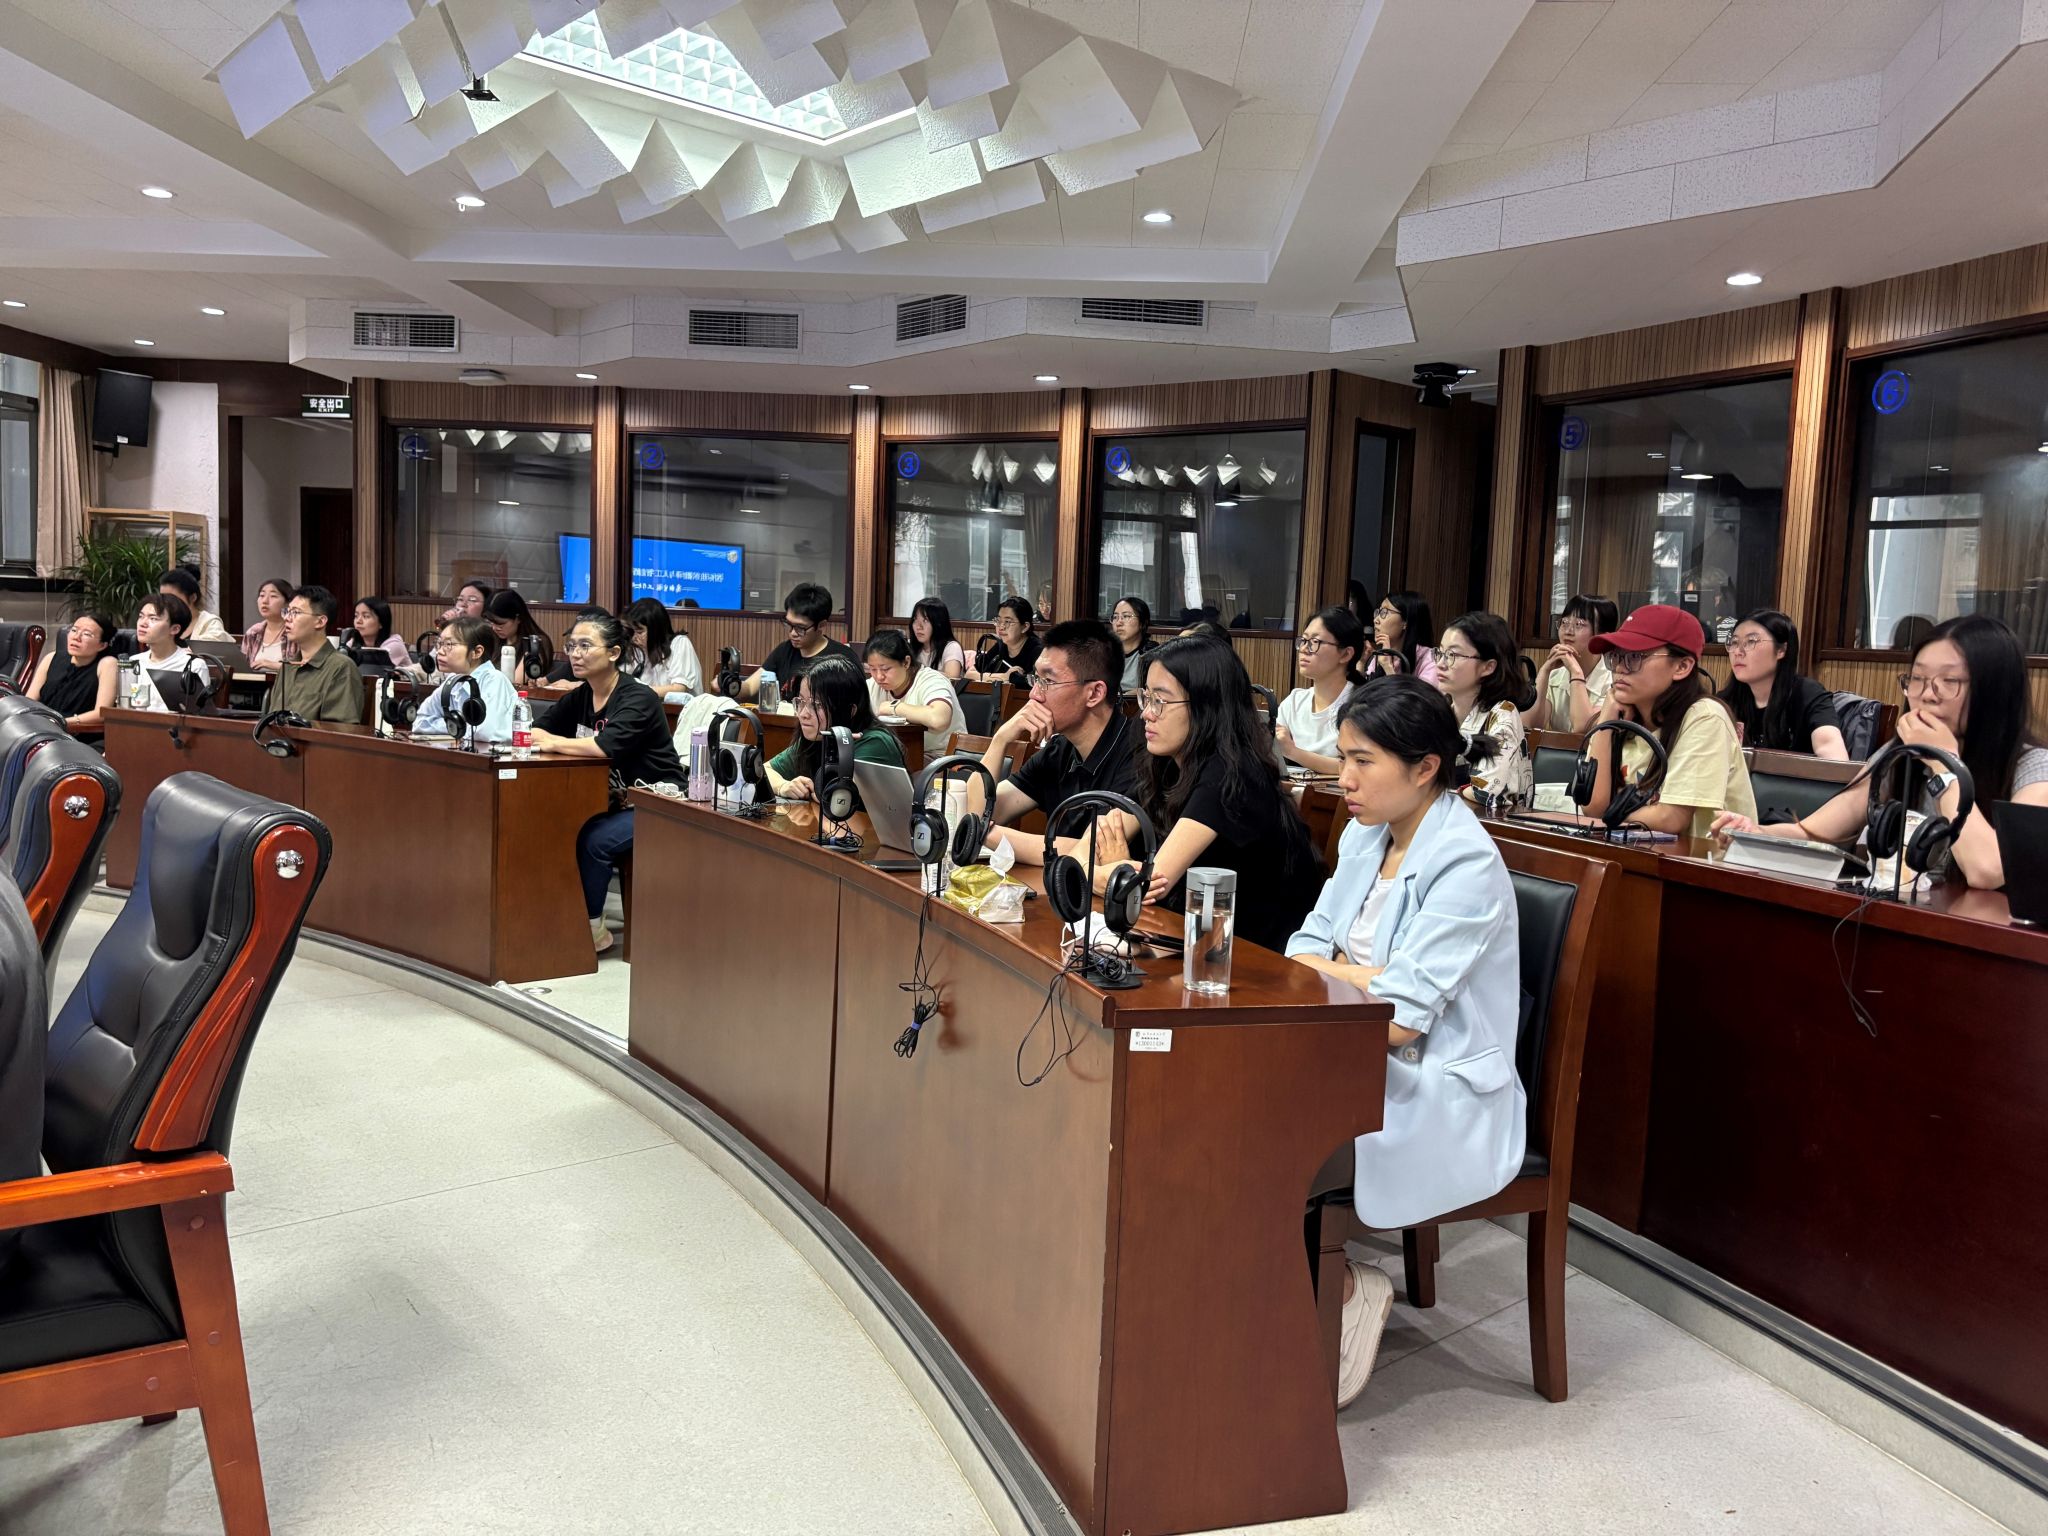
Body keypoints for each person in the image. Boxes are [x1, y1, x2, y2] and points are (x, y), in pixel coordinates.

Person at [1285, 676, 1525, 1408]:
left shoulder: (1466, 861)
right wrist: (1366, 975)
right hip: (1348, 1049)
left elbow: (1402, 1021)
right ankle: (1277, 1302)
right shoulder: (1367, 833)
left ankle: (1345, 1288)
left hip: (1433, 1085)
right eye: (1343, 757)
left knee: (1261, 1136)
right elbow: (1302, 948)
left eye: (1363, 761)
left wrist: (1346, 974)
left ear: (1425, 768)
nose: (1345, 779)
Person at [1714, 615, 2048, 889]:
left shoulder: (2034, 767)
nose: (1926, 694)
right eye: (1917, 678)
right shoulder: (1899, 754)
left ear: (1994, 691)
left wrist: (1944, 766)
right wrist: (1755, 833)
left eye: (1949, 681)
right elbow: (1815, 831)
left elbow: (1988, 871)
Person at [1085, 637, 1321, 952]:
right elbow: (1088, 850)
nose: (1146, 714)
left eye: (1161, 701)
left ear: (1207, 706)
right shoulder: (1166, 764)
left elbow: (1142, 888)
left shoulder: (1232, 776)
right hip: (1191, 940)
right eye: (1146, 697)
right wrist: (1111, 871)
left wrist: (1115, 868)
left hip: (1248, 959)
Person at [530, 613, 685, 955]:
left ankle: (592, 928)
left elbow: (603, 747)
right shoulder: (581, 696)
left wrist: (552, 742)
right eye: (572, 645)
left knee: (593, 838)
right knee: (554, 824)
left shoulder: (638, 697)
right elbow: (536, 729)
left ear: (614, 653)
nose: (575, 654)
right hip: (612, 799)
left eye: (586, 646)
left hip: (658, 802)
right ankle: (555, 915)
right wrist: (548, 738)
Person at [969, 619, 1140, 865]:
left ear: (1094, 693)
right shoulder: (1059, 750)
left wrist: (986, 834)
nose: (1034, 694)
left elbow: (1090, 850)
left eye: (1047, 681)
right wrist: (1000, 739)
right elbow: (979, 812)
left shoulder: (1138, 753)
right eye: (1035, 678)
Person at [1577, 604, 1755, 838]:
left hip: (1704, 857)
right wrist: (1606, 724)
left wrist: (1611, 813)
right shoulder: (1619, 716)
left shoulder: (1705, 717)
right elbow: (1592, 807)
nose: (1620, 668)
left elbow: (1671, 819)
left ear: (1682, 666)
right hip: (1634, 852)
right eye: (1616, 656)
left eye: (1635, 657)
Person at [765, 654, 907, 806]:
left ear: (850, 710)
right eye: (800, 701)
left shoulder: (875, 743)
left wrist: (812, 791)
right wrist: (783, 786)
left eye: (817, 705)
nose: (803, 713)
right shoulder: (817, 737)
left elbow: (836, 798)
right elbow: (765, 770)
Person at [1719, 610, 1847, 759]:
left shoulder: (1806, 694)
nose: (1737, 652)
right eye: (1734, 642)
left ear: (1781, 650)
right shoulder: (1724, 702)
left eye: (1751, 641)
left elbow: (1832, 752)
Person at [1437, 610, 1532, 804]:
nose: (1440, 663)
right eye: (1440, 652)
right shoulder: (1439, 710)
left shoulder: (1503, 713)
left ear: (1488, 667)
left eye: (1452, 655)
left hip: (1489, 821)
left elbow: (1486, 793)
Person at [1276, 605, 1366, 777]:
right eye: (1304, 640)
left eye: (1315, 642)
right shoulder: (1294, 701)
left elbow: (1355, 765)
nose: (1304, 649)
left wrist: (1293, 752)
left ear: (1346, 654)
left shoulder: (1361, 705)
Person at [265, 585, 365, 725]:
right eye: (287, 611)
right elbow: (272, 720)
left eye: (295, 612)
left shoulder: (341, 668)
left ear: (320, 621)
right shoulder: (287, 666)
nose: (287, 618)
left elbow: (340, 730)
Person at [411, 616, 520, 742]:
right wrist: (455, 726)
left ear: (477, 652)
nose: (440, 651)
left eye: (449, 644)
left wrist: (455, 726)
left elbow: (482, 732)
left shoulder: (494, 680)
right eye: (439, 644)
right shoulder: (453, 679)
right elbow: (420, 722)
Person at [745, 582, 854, 703]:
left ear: (821, 626)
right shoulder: (785, 650)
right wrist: (732, 686)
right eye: (789, 624)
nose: (792, 633)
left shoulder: (842, 660)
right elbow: (750, 687)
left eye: (800, 628)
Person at [864, 628, 965, 759]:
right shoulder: (872, 685)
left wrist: (894, 707)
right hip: (899, 755)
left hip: (942, 757)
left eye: (886, 669)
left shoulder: (932, 681)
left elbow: (939, 719)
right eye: (873, 669)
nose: (879, 677)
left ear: (906, 662)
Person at [1526, 594, 1616, 733]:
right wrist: (1544, 672)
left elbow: (1583, 729)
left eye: (1579, 624)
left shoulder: (1612, 681)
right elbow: (1529, 725)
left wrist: (1576, 673)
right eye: (1564, 622)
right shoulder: (1555, 676)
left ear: (1603, 635)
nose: (1567, 631)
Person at [27, 610, 119, 742]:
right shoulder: (51, 658)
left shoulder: (107, 664)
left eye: (87, 634)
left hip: (78, 736)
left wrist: (60, 722)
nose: (76, 637)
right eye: (74, 630)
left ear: (102, 645)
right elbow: (29, 701)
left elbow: (101, 713)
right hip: (39, 729)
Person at [124, 593, 196, 713]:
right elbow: (126, 709)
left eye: (153, 619)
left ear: (175, 629)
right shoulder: (134, 662)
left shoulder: (192, 665)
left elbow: (197, 715)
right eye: (141, 616)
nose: (142, 623)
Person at [622, 597, 703, 699]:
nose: (634, 637)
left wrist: (638, 691)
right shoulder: (637, 649)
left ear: (656, 630)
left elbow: (678, 689)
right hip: (647, 706)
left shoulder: (679, 644)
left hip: (678, 708)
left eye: (639, 632)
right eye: (631, 631)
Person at [484, 589, 554, 690]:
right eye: (491, 622)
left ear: (518, 618)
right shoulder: (493, 638)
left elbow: (514, 684)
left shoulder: (535, 643)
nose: (495, 628)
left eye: (500, 624)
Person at [967, 596, 1042, 685]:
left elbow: (1039, 683)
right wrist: (1004, 677)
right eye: (998, 621)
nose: (1001, 627)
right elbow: (969, 674)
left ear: (1025, 627)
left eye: (1007, 622)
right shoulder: (1001, 646)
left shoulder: (1038, 650)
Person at [1368, 591, 1439, 684]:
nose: (1376, 620)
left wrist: (1388, 668)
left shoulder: (1429, 659)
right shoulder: (1382, 655)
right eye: (1378, 612)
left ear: (1406, 621)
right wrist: (1361, 664)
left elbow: (1418, 694)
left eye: (1384, 612)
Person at [342, 595, 413, 669]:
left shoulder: (394, 644)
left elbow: (371, 669)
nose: (358, 621)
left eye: (366, 616)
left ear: (381, 623)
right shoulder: (353, 642)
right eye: (356, 616)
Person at [159, 566, 229, 642]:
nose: (167, 602)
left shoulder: (210, 623)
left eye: (173, 598)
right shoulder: (162, 622)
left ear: (193, 597)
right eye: (163, 598)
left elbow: (213, 645)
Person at [241, 578, 294, 672]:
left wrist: (271, 665)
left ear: (288, 603)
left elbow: (305, 669)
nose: (265, 601)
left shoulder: (296, 631)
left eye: (273, 596)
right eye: (262, 595)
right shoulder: (253, 632)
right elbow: (243, 668)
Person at [911, 598, 965, 680]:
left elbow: (951, 677)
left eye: (925, 620)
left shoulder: (952, 647)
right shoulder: (912, 647)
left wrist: (917, 673)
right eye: (915, 619)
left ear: (938, 623)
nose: (918, 627)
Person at [1110, 596, 1156, 692]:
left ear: (1142, 623)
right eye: (1115, 617)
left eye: (1126, 616)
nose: (1118, 623)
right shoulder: (1105, 652)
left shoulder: (1152, 654)